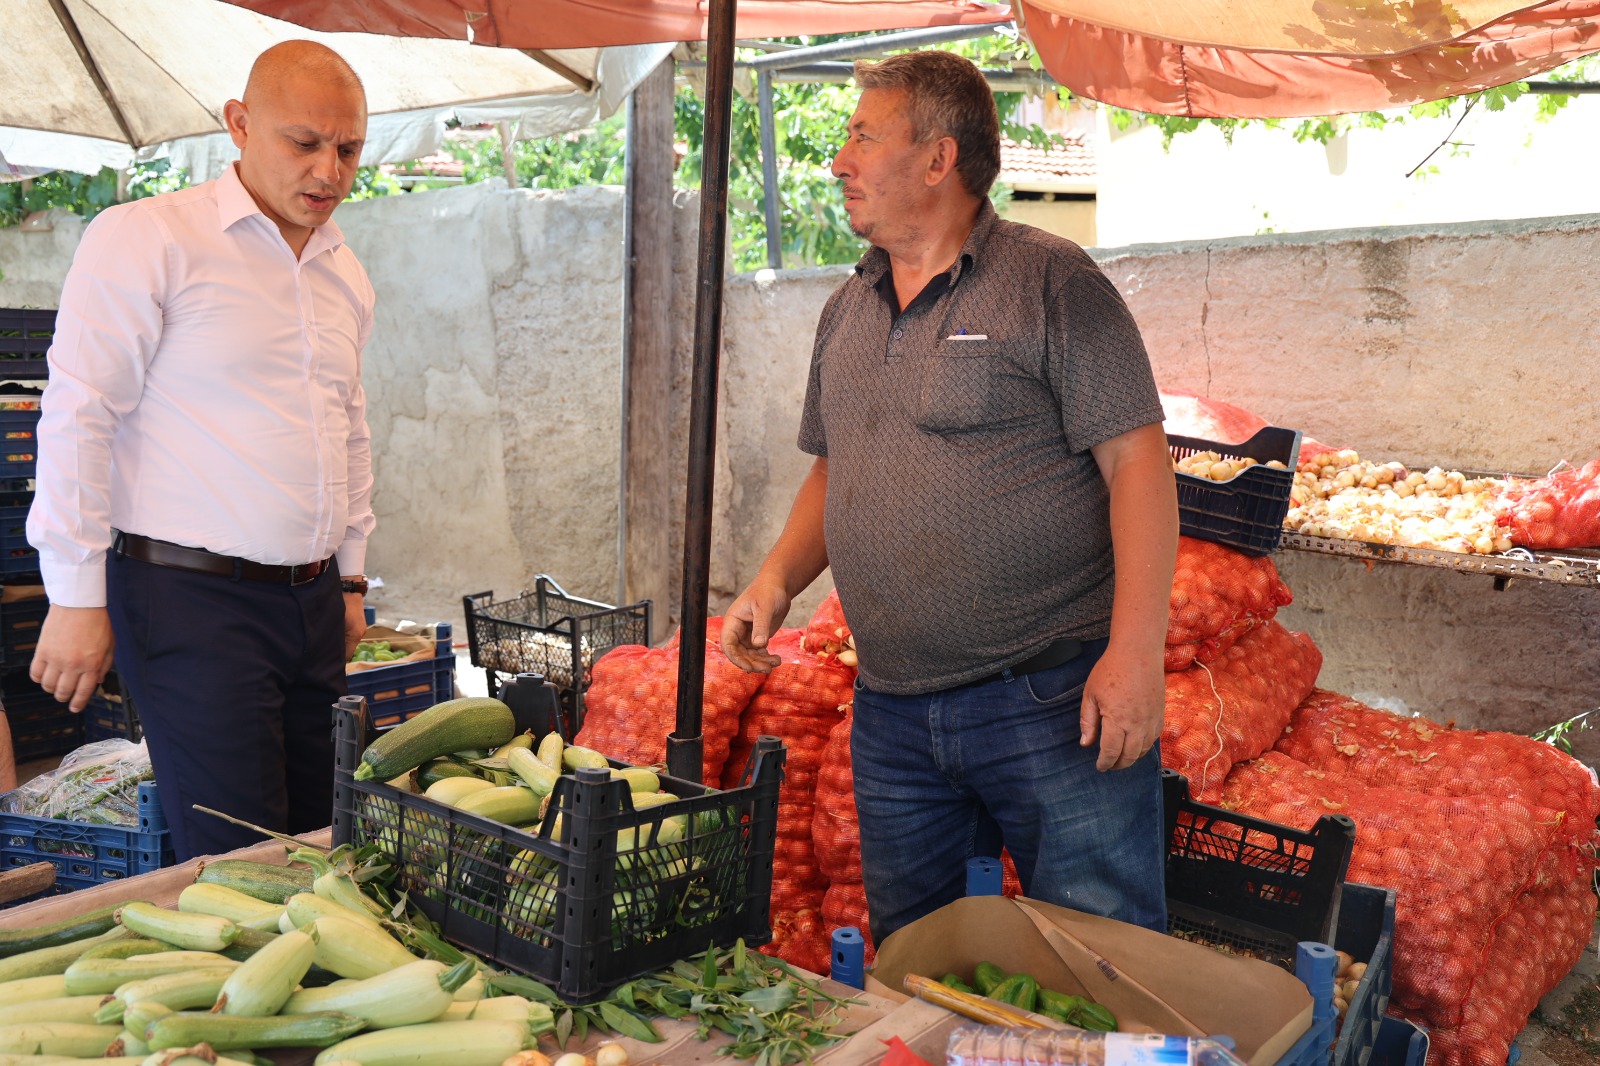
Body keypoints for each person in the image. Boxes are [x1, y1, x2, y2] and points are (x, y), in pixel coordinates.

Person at [721, 50, 1178, 945]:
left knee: (1104, 958)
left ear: (939, 159)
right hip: (893, 711)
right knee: (920, 967)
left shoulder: (1052, 282)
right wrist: (775, 579)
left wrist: (1137, 651)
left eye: (861, 137)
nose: (838, 161)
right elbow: (835, 467)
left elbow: (1139, 466)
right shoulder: (846, 309)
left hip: (1050, 701)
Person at [26, 41, 376, 861]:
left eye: (349, 148)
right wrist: (76, 595)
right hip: (190, 600)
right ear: (241, 125)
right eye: (304, 142)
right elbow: (80, 414)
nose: (329, 169)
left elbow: (348, 425)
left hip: (315, 601)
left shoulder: (343, 269)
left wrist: (351, 577)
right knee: (239, 854)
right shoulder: (148, 238)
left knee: (325, 840)